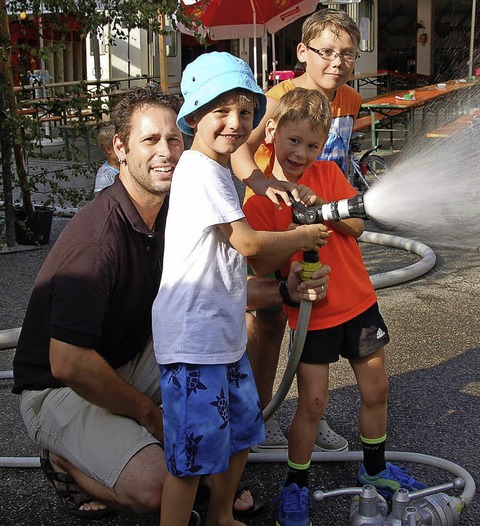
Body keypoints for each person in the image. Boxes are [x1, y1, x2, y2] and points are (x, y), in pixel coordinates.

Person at [11, 85, 329, 522]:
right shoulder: (96, 240)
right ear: (118, 149)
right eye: (149, 140)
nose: (166, 152)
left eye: (173, 140)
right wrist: (147, 415)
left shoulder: (173, 210)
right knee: (160, 487)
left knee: (223, 406)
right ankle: (65, 461)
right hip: (61, 386)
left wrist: (284, 292)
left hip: (132, 355)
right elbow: (68, 362)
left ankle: (168, 448)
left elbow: (212, 292)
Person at [151, 52, 330, 526]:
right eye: (221, 112)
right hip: (193, 342)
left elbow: (243, 164)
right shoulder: (195, 171)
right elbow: (247, 241)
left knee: (242, 432)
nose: (234, 123)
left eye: (245, 112)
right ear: (193, 117)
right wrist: (302, 236)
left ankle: (221, 516)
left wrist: (266, 180)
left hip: (222, 337)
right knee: (192, 458)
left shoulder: (219, 167)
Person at [243, 88, 427, 526]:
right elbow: (262, 263)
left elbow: (358, 223)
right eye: (293, 141)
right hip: (313, 316)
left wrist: (322, 211)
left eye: (311, 145)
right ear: (272, 132)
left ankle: (376, 467)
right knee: (313, 402)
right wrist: (293, 226)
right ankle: (296, 485)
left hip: (359, 303)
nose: (301, 153)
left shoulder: (326, 174)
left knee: (376, 390)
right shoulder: (260, 198)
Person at [232, 7, 362, 454]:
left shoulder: (349, 99)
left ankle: (312, 413)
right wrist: (266, 184)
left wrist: (334, 205)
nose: (337, 62)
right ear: (304, 52)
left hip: (320, 216)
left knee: (318, 314)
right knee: (268, 319)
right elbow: (238, 154)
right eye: (326, 51)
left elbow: (335, 158)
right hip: (272, 220)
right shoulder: (275, 99)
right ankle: (257, 416)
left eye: (347, 54)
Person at [93, 124, 120, 194]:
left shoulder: (128, 167)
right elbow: (102, 202)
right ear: (108, 149)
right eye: (119, 147)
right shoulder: (104, 176)